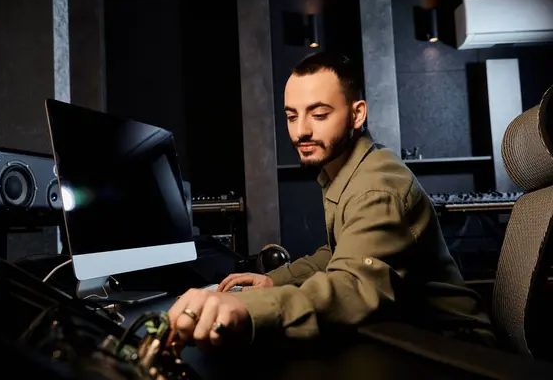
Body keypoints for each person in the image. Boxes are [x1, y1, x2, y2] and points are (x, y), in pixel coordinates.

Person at [168, 52, 494, 350]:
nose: (301, 131)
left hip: (454, 345)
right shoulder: (347, 169)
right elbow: (342, 252)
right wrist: (273, 280)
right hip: (408, 330)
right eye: (292, 116)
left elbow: (353, 287)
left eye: (319, 114)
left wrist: (245, 308)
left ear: (357, 114)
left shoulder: (375, 188)